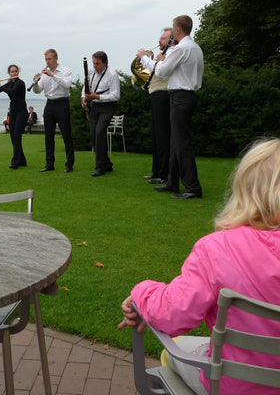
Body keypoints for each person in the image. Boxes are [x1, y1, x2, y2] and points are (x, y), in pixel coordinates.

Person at [119, 138, 280, 395]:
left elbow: (171, 314)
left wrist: (142, 292)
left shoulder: (218, 249)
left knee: (174, 351)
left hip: (233, 387)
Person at [154, 15, 203, 199]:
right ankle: (172, 183)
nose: (173, 30)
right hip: (189, 95)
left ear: (178, 30)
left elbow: (161, 72)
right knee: (175, 142)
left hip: (180, 96)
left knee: (181, 144)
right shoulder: (196, 48)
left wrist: (157, 60)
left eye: (174, 27)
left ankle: (192, 187)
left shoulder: (180, 49)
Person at [137, 28, 173, 185]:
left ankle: (164, 174)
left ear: (171, 40)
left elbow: (160, 71)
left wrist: (144, 57)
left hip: (163, 95)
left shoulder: (171, 53)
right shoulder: (162, 55)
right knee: (156, 136)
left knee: (163, 137)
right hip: (156, 95)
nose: (160, 41)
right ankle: (156, 170)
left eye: (164, 38)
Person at [32, 49, 75, 173]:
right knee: (48, 135)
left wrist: (53, 76)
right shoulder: (44, 74)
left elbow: (67, 85)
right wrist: (35, 83)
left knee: (66, 134)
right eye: (46, 59)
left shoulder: (65, 71)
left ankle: (69, 164)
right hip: (49, 104)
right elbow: (38, 90)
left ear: (56, 58)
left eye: (49, 59)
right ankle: (49, 164)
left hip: (62, 103)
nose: (47, 61)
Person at [81, 51, 120, 176]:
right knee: (93, 135)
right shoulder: (92, 71)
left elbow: (115, 95)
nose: (94, 66)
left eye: (97, 63)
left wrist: (97, 96)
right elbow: (85, 85)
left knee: (99, 133)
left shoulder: (112, 74)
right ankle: (107, 164)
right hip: (95, 105)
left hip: (107, 106)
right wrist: (83, 98)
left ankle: (100, 167)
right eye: (93, 63)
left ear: (105, 63)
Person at [0, 65, 28, 169]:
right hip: (13, 113)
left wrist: (1, 85)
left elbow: (12, 92)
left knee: (17, 136)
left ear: (18, 72)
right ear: (9, 73)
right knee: (13, 136)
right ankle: (22, 160)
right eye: (12, 71)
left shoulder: (20, 83)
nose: (14, 73)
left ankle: (15, 162)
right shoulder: (9, 84)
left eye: (15, 71)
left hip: (22, 112)